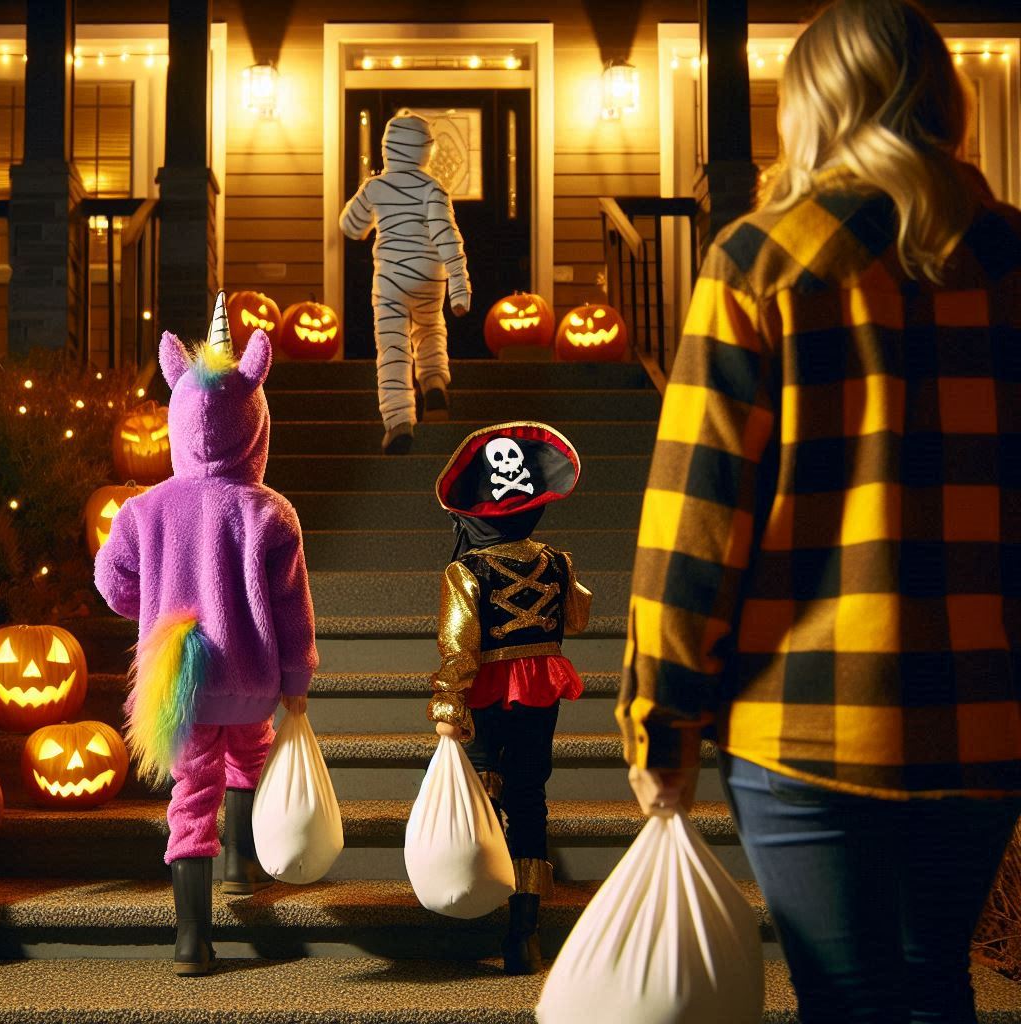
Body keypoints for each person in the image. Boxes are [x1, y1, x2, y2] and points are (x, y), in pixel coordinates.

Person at [616, 2, 1021, 1022]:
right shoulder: (1013, 258)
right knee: (938, 985)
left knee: (844, 997)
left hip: (803, 719)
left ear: (813, 105)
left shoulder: (761, 260)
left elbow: (695, 525)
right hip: (985, 711)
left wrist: (659, 725)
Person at [95, 292, 318, 976]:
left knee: (189, 795)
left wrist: (152, 601)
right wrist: (296, 680)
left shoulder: (143, 509)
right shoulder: (270, 511)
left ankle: (191, 939)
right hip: (248, 682)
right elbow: (290, 609)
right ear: (255, 424)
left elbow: (112, 585)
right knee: (249, 759)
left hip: (179, 680)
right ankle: (239, 868)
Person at [425, 422, 592, 974]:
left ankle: (477, 901)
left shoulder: (466, 569)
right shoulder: (560, 561)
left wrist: (449, 706)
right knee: (528, 798)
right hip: (543, 686)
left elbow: (459, 647)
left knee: (482, 794)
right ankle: (526, 933)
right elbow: (577, 617)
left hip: (488, 692)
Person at [339, 109, 471, 455]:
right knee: (430, 329)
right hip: (430, 275)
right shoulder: (434, 188)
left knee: (393, 347)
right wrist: (459, 283)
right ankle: (435, 383)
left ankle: (399, 420)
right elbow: (446, 234)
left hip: (391, 279)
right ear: (425, 153)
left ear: (387, 150)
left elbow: (350, 226)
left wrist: (369, 192)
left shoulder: (376, 187)